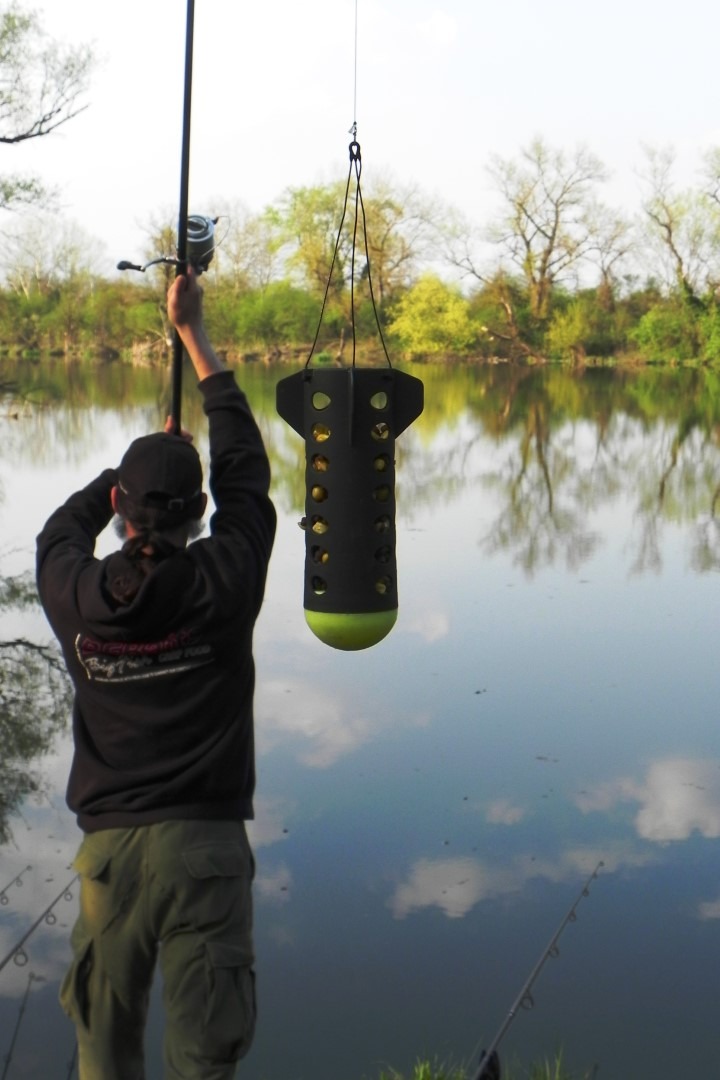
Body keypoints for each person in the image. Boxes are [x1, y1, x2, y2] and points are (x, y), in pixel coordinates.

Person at [36, 267, 276, 1080]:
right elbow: (247, 473)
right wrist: (193, 336)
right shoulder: (225, 580)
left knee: (102, 1057)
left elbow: (58, 533)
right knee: (204, 1063)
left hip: (109, 861)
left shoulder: (74, 595)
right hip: (205, 849)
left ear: (120, 508)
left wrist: (125, 474)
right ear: (198, 514)